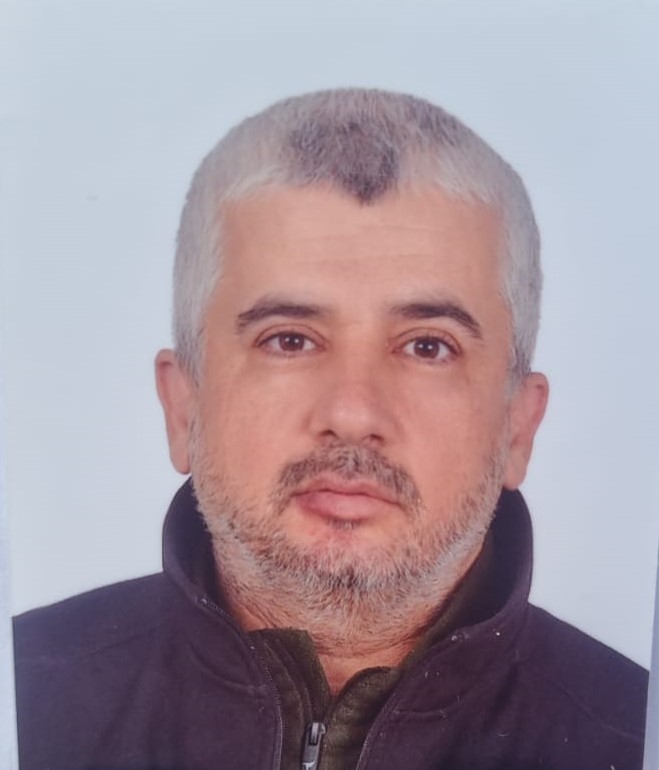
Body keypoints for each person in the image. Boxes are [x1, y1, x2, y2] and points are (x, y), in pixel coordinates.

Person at [13, 88, 647, 769]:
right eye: (288, 340)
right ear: (183, 407)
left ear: (517, 428)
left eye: (427, 346)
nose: (352, 413)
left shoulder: (632, 737)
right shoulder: (22, 700)